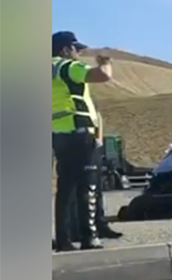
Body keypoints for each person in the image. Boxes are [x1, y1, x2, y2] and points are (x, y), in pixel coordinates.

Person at [52, 31, 113, 251]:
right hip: (81, 133)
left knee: (65, 187)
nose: (78, 53)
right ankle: (90, 236)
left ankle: (64, 239)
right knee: (89, 184)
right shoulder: (68, 67)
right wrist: (105, 61)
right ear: (65, 49)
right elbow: (102, 76)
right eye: (75, 49)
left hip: (59, 133)